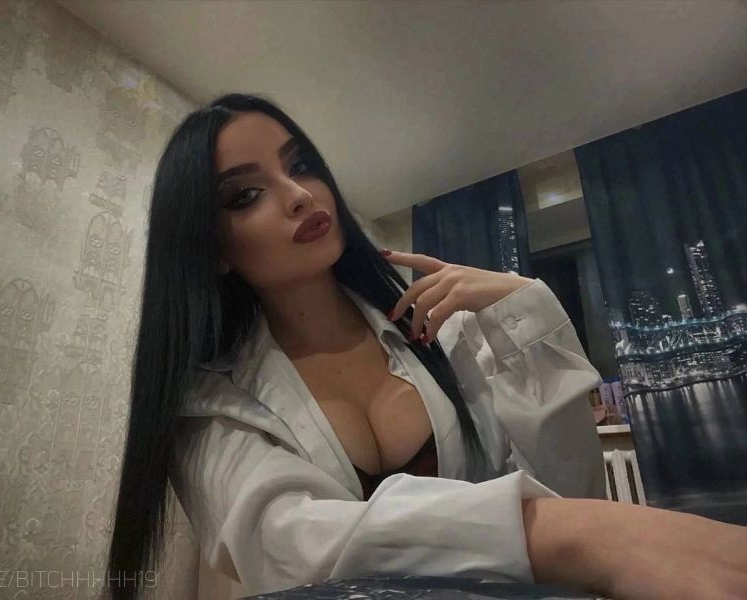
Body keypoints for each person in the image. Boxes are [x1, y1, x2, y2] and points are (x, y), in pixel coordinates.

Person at [106, 93, 747, 600]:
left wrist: (527, 307)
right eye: (247, 194)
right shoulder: (212, 402)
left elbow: (570, 490)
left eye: (300, 165)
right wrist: (546, 532)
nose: (299, 195)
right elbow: (287, 549)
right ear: (212, 249)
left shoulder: (446, 331)